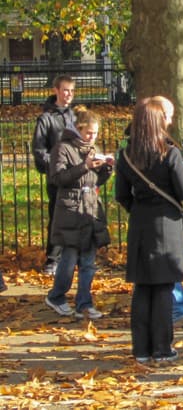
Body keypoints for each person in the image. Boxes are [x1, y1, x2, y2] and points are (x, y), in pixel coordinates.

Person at [115, 96, 183, 363]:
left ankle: (140, 348)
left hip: (140, 223)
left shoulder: (126, 155)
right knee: (163, 287)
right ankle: (162, 347)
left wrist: (139, 209)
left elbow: (121, 195)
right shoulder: (170, 153)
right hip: (167, 224)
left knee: (142, 287)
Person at [44, 108, 112, 320]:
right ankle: (57, 295)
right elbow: (58, 177)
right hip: (71, 208)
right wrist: (85, 166)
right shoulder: (63, 148)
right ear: (79, 129)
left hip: (90, 208)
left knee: (89, 261)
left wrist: (105, 169)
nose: (92, 137)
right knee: (69, 257)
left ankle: (85, 302)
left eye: (95, 133)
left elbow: (94, 180)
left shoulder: (93, 149)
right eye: (89, 133)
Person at [32, 75, 76, 275]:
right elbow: (39, 151)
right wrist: (57, 165)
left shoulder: (76, 116)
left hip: (77, 174)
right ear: (56, 91)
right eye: (65, 90)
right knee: (57, 217)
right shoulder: (46, 119)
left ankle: (76, 256)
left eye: (72, 91)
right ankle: (53, 259)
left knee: (78, 215)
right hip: (57, 177)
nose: (68, 95)